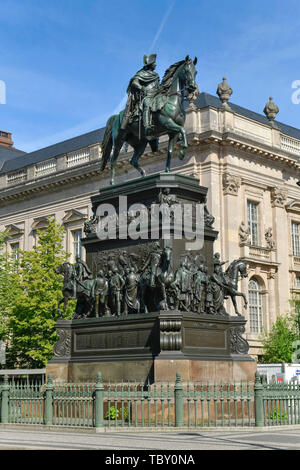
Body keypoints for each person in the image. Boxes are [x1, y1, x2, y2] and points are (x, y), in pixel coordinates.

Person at [121, 54, 160, 137]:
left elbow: (157, 86)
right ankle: (147, 126)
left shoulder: (155, 75)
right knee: (147, 103)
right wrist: (142, 87)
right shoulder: (142, 73)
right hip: (146, 95)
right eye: (154, 63)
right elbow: (134, 82)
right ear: (150, 64)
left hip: (156, 95)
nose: (156, 64)